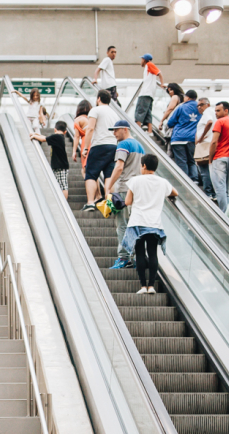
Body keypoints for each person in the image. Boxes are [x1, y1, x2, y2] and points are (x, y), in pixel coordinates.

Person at [124, 154, 177, 294]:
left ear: (144, 166)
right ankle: (152, 286)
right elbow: (175, 193)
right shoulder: (162, 182)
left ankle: (142, 286)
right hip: (155, 223)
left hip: (138, 222)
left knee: (140, 253)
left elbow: (127, 202)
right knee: (153, 253)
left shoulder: (135, 181)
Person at [103, 121, 144, 270]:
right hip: (137, 189)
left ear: (124, 129)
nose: (114, 134)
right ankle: (133, 256)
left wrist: (108, 185)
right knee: (132, 224)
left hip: (125, 188)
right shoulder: (140, 146)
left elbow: (119, 167)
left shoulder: (123, 145)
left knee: (122, 224)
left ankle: (124, 258)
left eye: (116, 130)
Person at [79, 90, 120, 211]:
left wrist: (86, 147)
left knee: (91, 174)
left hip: (99, 145)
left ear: (98, 99)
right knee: (109, 175)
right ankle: (109, 204)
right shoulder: (114, 113)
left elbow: (90, 128)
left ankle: (91, 202)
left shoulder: (95, 110)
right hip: (113, 146)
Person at [208, 101, 229, 211]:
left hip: (219, 157)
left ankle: (225, 215)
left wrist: (210, 159)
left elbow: (214, 142)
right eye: (215, 110)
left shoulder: (220, 122)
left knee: (219, 188)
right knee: (225, 189)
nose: (216, 113)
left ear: (226, 110)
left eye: (218, 110)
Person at [167, 89, 199, 182]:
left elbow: (170, 122)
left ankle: (184, 181)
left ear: (187, 97)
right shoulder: (200, 108)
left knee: (181, 161)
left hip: (178, 138)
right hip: (193, 139)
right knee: (192, 161)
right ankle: (194, 180)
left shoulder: (181, 107)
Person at [31, 120, 70, 198]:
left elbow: (43, 139)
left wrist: (35, 136)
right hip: (58, 166)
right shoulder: (59, 137)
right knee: (61, 185)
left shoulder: (57, 137)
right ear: (65, 132)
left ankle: (64, 203)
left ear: (55, 129)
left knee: (63, 186)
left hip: (61, 166)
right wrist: (36, 134)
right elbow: (45, 138)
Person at [135, 54, 163, 134]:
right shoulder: (148, 67)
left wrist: (162, 83)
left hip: (145, 93)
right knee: (147, 113)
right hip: (150, 94)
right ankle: (149, 131)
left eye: (142, 59)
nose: (141, 61)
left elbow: (159, 73)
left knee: (139, 112)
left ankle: (138, 131)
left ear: (144, 60)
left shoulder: (149, 64)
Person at [195, 98, 216, 198]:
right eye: (198, 105)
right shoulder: (212, 112)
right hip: (210, 144)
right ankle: (213, 192)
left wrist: (201, 137)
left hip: (205, 145)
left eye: (202, 104)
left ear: (208, 104)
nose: (199, 107)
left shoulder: (207, 112)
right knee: (210, 169)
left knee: (204, 170)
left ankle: (208, 193)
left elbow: (209, 122)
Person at [72, 100, 92, 172]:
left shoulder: (78, 119)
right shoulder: (92, 118)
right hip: (95, 142)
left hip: (86, 143)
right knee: (94, 172)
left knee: (84, 170)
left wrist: (74, 151)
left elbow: (76, 137)